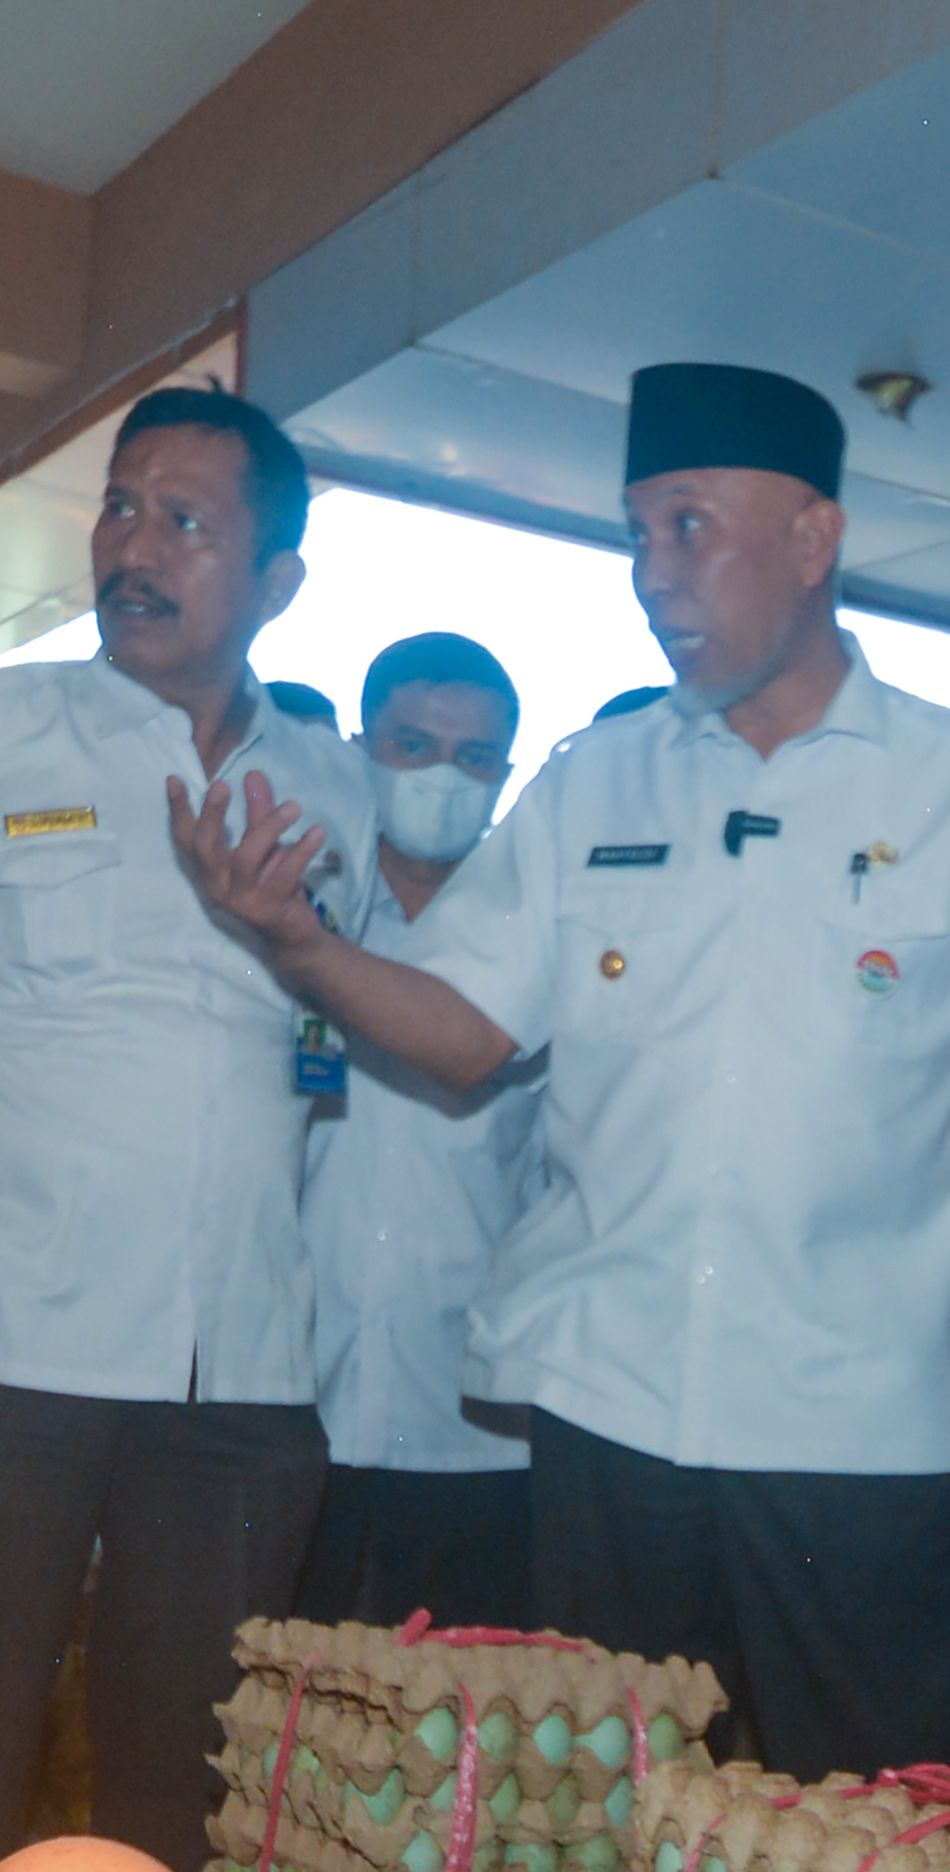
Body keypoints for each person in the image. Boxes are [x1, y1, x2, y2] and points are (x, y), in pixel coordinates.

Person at [177, 362, 950, 1781]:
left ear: (814, 540)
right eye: (635, 535)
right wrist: (299, 943)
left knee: (856, 1821)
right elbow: (466, 1028)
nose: (652, 577)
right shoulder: (593, 780)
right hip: (610, 1414)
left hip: (854, 1428)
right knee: (599, 1829)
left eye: (690, 527)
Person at [0, 387, 377, 1872]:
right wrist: (32, 1154)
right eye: (119, 507)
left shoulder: (333, 786)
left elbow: (330, 1049)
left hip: (239, 1379)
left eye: (184, 521)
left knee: (184, 1803)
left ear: (275, 582)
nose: (133, 545)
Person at [294, 631, 544, 1633]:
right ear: (362, 748)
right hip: (293, 1396)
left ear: (505, 775)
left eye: (475, 757)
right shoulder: (298, 916)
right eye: (411, 744)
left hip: (473, 1424)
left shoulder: (534, 937)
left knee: (456, 1735)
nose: (444, 776)